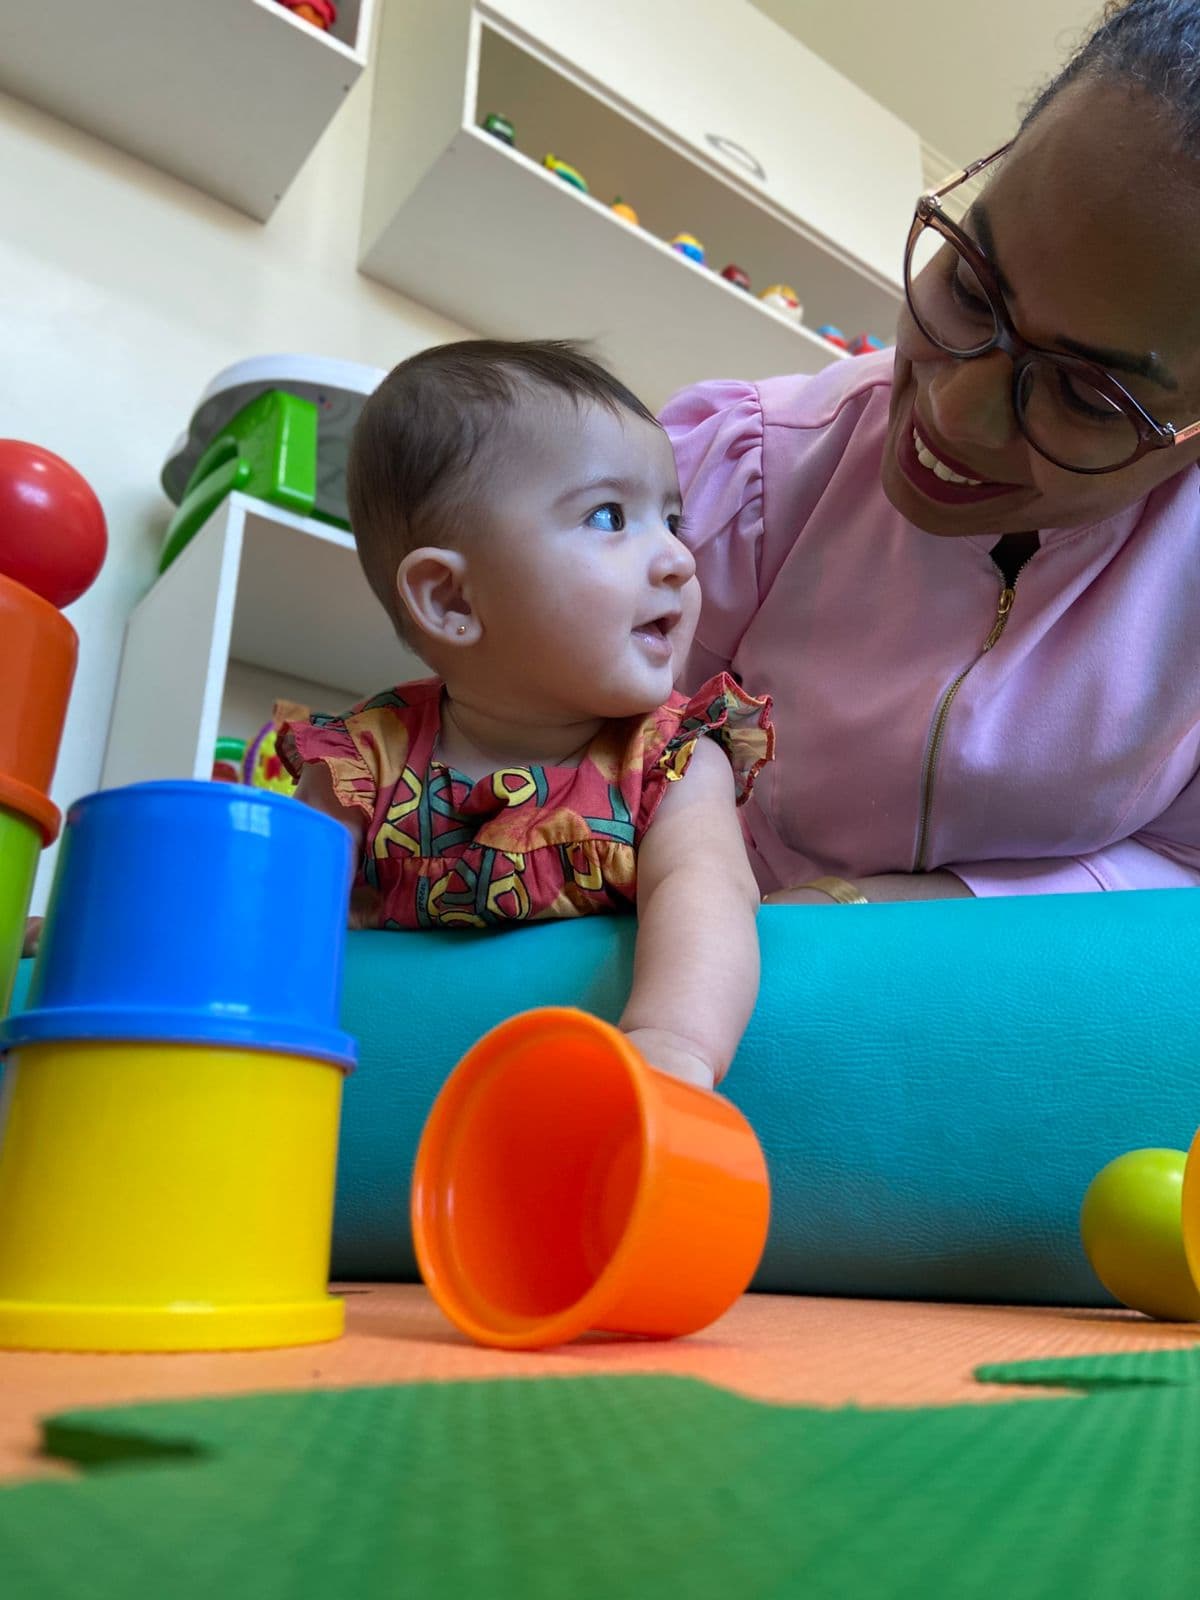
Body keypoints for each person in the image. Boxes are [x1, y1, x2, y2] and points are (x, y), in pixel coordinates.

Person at [663, 0, 1200, 907]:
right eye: (968, 284)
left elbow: (1183, 864)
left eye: (1083, 394)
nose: (953, 411)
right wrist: (699, 907)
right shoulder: (748, 475)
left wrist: (928, 914)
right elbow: (555, 749)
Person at [282, 340, 772, 1089]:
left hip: (565, 1095)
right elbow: (265, 905)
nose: (678, 557)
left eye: (671, 519)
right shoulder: (363, 764)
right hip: (377, 1095)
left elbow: (707, 892)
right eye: (610, 516)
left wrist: (671, 1047)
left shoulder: (671, 758)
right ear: (451, 600)